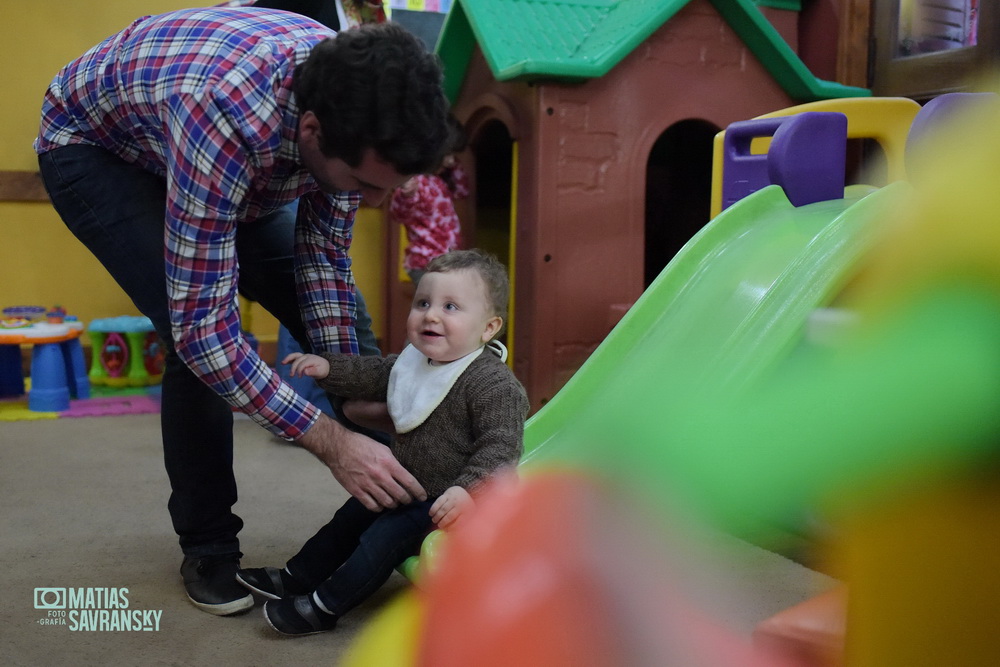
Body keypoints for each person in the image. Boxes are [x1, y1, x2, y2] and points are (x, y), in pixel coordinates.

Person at [34, 5, 455, 616]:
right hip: (100, 150)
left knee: (352, 346)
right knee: (191, 338)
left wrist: (354, 392)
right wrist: (330, 439)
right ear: (312, 131)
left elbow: (324, 271)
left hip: (225, 156)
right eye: (366, 186)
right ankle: (208, 545)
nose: (376, 203)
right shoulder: (226, 113)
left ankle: (399, 509)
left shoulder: (352, 109)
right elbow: (206, 332)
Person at [236, 250, 529, 635]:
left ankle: (323, 608)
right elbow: (377, 373)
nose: (431, 315)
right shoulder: (418, 361)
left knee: (379, 541)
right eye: (423, 302)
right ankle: (294, 577)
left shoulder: (493, 385)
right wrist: (328, 368)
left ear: (489, 328)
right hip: (405, 479)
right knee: (348, 520)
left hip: (444, 500)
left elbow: (501, 449)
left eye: (451, 306)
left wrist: (466, 490)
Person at [389, 128, 469, 284]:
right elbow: (398, 214)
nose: (452, 161)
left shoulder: (440, 181)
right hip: (424, 262)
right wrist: (407, 195)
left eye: (454, 156)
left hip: (446, 261)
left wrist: (454, 165)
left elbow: (462, 191)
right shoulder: (416, 181)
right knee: (433, 306)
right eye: (448, 155)